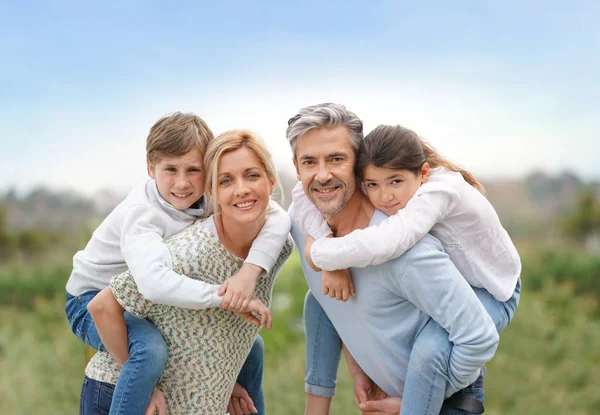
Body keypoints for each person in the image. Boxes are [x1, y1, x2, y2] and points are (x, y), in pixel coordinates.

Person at [65, 113, 291, 415]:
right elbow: (152, 284)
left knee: (253, 346)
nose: (183, 183)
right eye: (170, 169)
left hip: (136, 301)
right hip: (89, 298)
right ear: (150, 168)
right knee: (149, 350)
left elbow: (277, 215)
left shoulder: (205, 198)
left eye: (193, 170)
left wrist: (248, 274)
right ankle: (139, 390)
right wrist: (223, 297)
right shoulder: (142, 216)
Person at [286, 103, 500, 415]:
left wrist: (419, 401)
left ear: (359, 164)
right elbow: (324, 302)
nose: (322, 174)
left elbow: (478, 337)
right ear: (296, 167)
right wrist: (359, 369)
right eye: (309, 161)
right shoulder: (299, 221)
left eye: (336, 159)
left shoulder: (404, 251)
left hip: (444, 403)